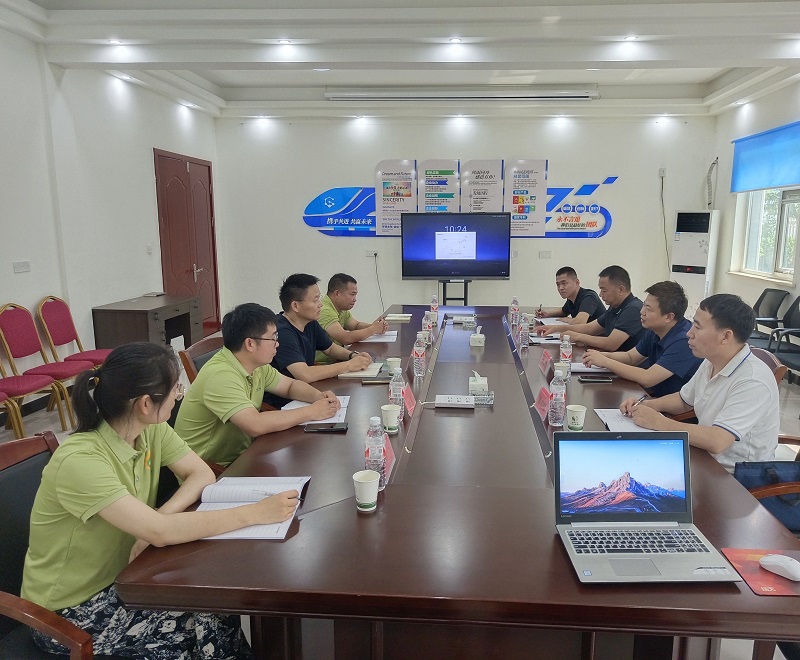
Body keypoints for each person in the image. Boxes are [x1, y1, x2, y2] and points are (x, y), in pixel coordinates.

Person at [21, 342, 300, 658]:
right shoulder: (81, 461)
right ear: (145, 403)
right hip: (69, 613)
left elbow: (200, 474)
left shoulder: (149, 429)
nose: (179, 395)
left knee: (214, 605)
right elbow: (162, 532)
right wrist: (255, 513)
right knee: (193, 628)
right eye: (175, 389)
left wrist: (157, 522)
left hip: (130, 578)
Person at [620, 294, 779, 473]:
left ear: (726, 336)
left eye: (697, 326)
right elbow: (683, 400)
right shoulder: (712, 360)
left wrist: (659, 422)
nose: (689, 333)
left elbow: (718, 441)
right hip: (702, 456)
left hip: (733, 476)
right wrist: (646, 405)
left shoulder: (753, 380)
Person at [175, 303, 341, 467]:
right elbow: (254, 424)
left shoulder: (255, 364)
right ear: (250, 344)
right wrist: (312, 411)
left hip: (244, 454)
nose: (277, 343)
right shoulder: (220, 375)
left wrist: (319, 397)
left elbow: (289, 386)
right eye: (273, 338)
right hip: (212, 469)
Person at [265, 274, 373, 409]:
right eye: (315, 300)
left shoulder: (309, 322)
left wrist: (353, 355)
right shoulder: (282, 332)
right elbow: (304, 374)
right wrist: (349, 365)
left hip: (308, 393)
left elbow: (330, 348)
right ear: (295, 306)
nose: (320, 304)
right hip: (283, 404)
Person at [582, 281, 702, 397]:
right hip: (657, 396)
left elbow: (647, 378)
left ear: (669, 317)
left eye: (648, 309)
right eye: (644, 305)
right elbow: (630, 357)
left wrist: (605, 362)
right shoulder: (655, 330)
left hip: (674, 406)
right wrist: (599, 356)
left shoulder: (684, 340)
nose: (642, 312)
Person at [534, 265, 645, 352]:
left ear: (620, 289)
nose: (600, 294)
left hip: (629, 367)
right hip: (610, 357)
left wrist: (578, 336)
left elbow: (611, 344)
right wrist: (555, 328)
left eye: (604, 290)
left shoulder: (633, 308)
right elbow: (589, 328)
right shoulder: (614, 307)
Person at [315, 273, 388, 363]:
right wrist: (373, 329)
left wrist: (376, 326)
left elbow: (355, 325)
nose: (355, 299)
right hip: (321, 363)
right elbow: (345, 338)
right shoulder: (325, 310)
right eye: (352, 294)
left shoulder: (341, 308)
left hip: (336, 359)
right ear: (337, 293)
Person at [534, 266, 605, 325]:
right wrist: (547, 313)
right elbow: (563, 311)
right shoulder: (571, 298)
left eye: (564, 283)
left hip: (600, 336)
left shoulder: (589, 297)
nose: (560, 288)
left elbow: (579, 322)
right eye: (558, 284)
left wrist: (568, 320)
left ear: (577, 282)